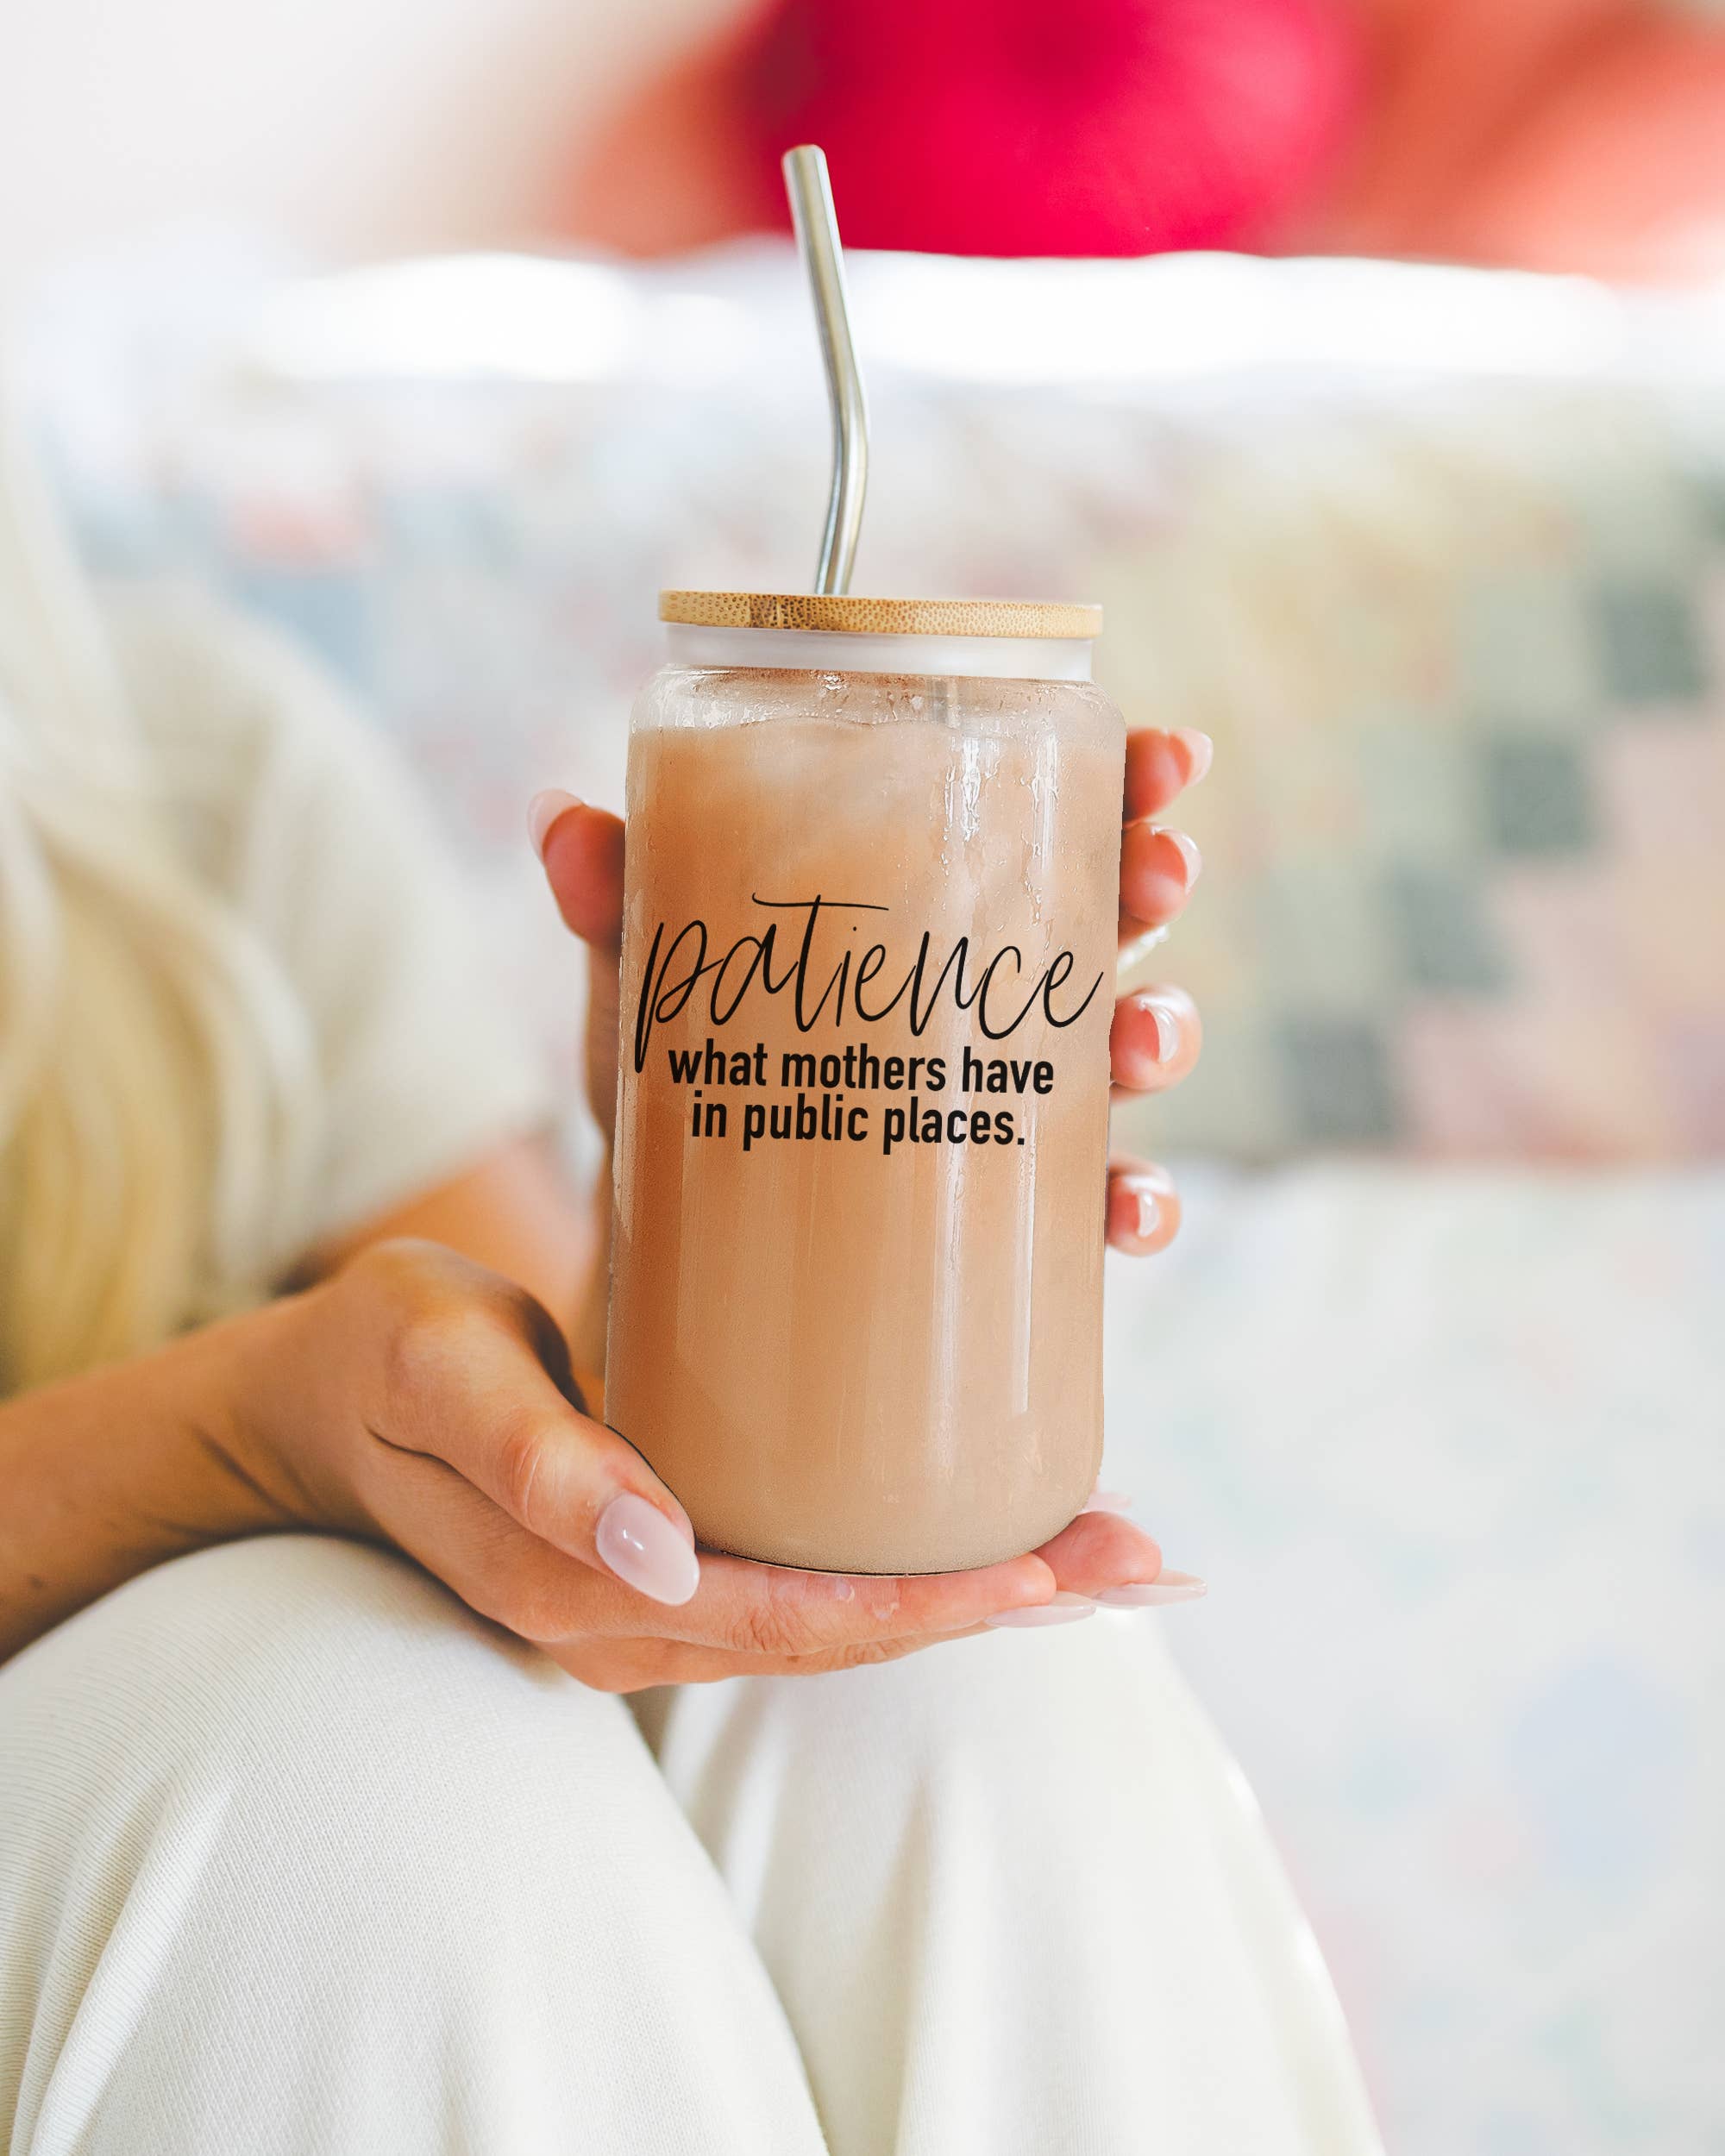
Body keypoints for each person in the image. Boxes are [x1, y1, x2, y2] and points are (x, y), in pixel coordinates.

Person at [0, 420, 1380, 2155]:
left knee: (939, 1671)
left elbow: (567, 1506)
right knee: (340, 1767)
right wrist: (221, 1433)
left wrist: (706, 1210)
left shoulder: (183, 772)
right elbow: (317, 1477)